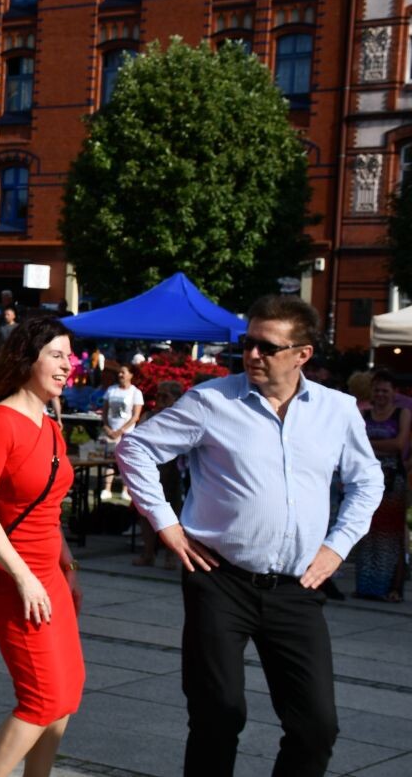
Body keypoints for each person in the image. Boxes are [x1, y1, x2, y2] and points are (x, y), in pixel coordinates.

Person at [117, 295, 384, 777]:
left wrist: (336, 547)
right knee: (218, 714)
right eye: (248, 343)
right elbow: (135, 449)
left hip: (298, 587)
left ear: (303, 353)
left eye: (267, 346)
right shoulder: (211, 401)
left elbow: (368, 482)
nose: (253, 354)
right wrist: (169, 526)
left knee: (316, 726)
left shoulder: (336, 410)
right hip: (219, 579)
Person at [0, 316, 83, 777]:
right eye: (56, 354)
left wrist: (68, 564)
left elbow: (48, 504)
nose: (66, 365)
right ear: (27, 358)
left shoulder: (51, 423)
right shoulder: (0, 420)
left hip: (49, 573)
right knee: (41, 697)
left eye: (68, 356)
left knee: (67, 692)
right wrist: (24, 576)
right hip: (11, 576)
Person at [355, 368, 409, 601]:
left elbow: (398, 444)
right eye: (377, 390)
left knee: (390, 534)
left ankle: (391, 587)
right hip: (365, 478)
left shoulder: (402, 413)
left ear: (394, 393)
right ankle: (367, 586)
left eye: (385, 391)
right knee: (366, 532)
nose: (380, 395)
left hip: (392, 479)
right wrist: (376, 446)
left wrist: (369, 445)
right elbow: (354, 446)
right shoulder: (363, 414)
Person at [132, 380, 184, 569]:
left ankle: (171, 556)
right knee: (146, 513)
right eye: (158, 396)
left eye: (165, 396)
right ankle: (148, 553)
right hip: (150, 470)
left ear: (176, 399)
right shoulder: (149, 415)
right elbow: (136, 441)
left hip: (173, 471)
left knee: (174, 513)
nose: (159, 400)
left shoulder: (180, 417)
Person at [101, 365, 143, 446]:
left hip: (126, 434)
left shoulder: (136, 392)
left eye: (123, 372)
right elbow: (105, 411)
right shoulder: (111, 389)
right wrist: (107, 428)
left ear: (131, 375)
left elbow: (135, 416)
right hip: (109, 432)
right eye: (119, 372)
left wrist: (120, 431)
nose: (120, 375)